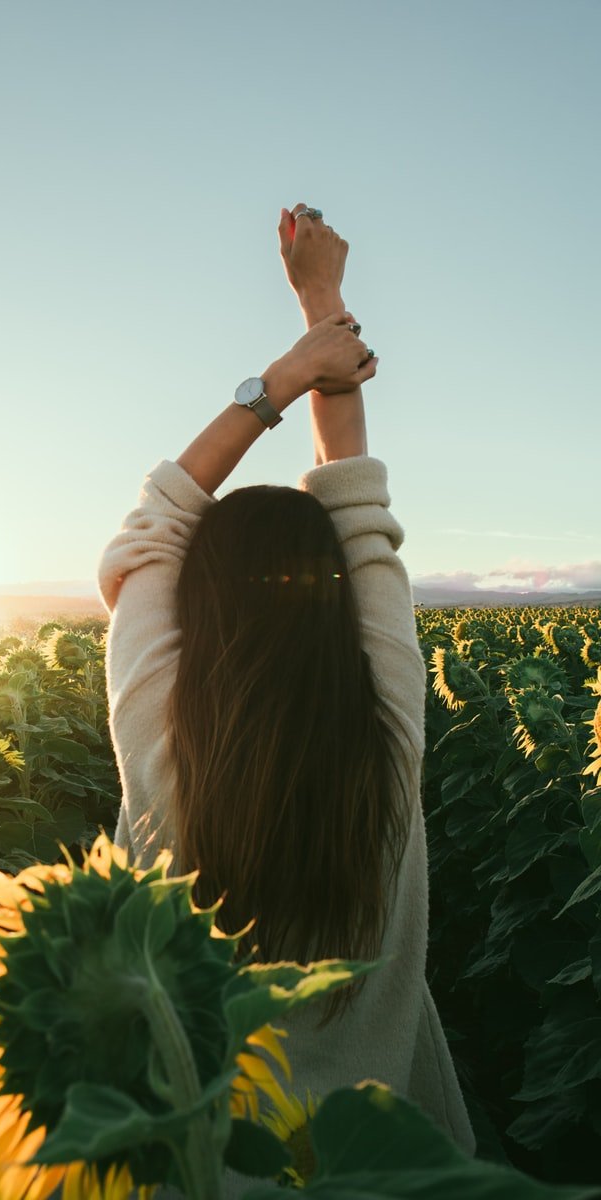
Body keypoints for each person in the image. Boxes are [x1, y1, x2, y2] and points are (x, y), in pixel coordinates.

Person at [97, 204, 476, 1186]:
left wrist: (283, 375)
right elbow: (356, 501)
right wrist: (322, 306)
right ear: (340, 602)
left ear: (193, 609)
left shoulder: (158, 745)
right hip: (393, 1166)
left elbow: (153, 524)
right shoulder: (387, 722)